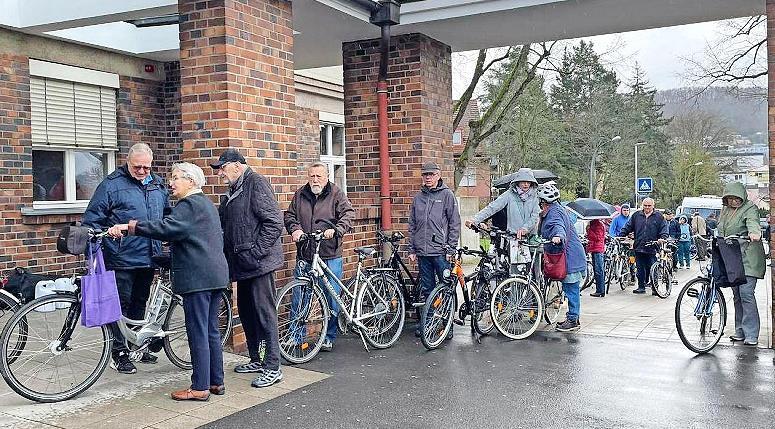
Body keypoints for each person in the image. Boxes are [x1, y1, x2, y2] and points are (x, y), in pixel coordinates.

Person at [108, 163, 229, 401]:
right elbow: (191, 237)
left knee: (198, 332)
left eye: (175, 178)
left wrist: (129, 226)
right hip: (215, 275)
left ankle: (200, 387)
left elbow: (167, 227)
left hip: (197, 278)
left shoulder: (189, 205)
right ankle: (216, 382)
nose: (170, 183)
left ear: (191, 181)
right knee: (211, 331)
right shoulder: (205, 203)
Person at [82, 143, 169, 374]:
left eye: (146, 168)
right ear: (127, 162)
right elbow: (92, 220)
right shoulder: (111, 185)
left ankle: (135, 345)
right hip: (121, 257)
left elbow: (168, 215)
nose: (142, 171)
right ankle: (118, 353)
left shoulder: (158, 184)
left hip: (150, 255)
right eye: (137, 167)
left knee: (141, 302)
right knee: (120, 307)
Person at [211, 149, 284, 388]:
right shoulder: (233, 190)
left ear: (237, 166)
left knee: (264, 315)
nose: (220, 173)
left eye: (222, 168)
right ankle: (258, 358)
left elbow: (274, 222)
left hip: (258, 265)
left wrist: (256, 253)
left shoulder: (256, 183)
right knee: (247, 313)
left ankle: (273, 367)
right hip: (241, 265)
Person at [284, 162, 355, 352]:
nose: (315, 179)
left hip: (329, 253)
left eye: (319, 176)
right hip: (306, 253)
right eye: (312, 176)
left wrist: (337, 230)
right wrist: (295, 229)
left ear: (327, 176)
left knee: (331, 297)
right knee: (300, 295)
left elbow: (348, 215)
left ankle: (328, 336)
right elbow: (290, 216)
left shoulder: (336, 193)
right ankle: (295, 335)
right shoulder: (300, 194)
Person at [409, 162, 461, 337]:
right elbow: (413, 225)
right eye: (425, 175)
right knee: (428, 290)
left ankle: (447, 326)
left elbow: (454, 223)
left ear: (438, 175)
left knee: (445, 289)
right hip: (423, 252)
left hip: (441, 252)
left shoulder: (447, 195)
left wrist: (451, 248)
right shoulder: (418, 198)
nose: (428, 177)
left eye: (431, 174)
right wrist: (412, 249)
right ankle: (430, 323)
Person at [717, 182, 766, 346]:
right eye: (730, 198)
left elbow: (753, 222)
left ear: (742, 197)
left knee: (746, 294)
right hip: (733, 257)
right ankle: (740, 330)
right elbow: (721, 228)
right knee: (737, 295)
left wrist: (754, 233)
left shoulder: (750, 208)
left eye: (736, 198)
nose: (733, 201)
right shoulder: (725, 210)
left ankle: (751, 333)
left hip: (749, 257)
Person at [466, 168, 540, 271]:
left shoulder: (535, 196)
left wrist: (525, 228)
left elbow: (535, 216)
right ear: (518, 181)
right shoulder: (509, 195)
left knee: (532, 272)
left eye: (528, 182)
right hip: (514, 239)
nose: (526, 184)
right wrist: (475, 220)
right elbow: (492, 208)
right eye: (523, 181)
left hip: (530, 238)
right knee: (515, 272)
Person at [537, 183, 586, 331]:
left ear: (544, 203)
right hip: (568, 255)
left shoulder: (555, 213)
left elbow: (558, 226)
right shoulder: (555, 210)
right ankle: (572, 318)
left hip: (569, 257)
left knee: (571, 288)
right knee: (570, 287)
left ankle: (573, 320)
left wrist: (558, 236)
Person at [618, 198, 668, 295]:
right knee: (640, 268)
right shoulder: (637, 215)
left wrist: (663, 237)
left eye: (649, 205)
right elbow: (628, 226)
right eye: (645, 205)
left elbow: (664, 228)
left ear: (653, 206)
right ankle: (641, 287)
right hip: (639, 246)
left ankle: (655, 288)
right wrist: (622, 235)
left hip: (652, 247)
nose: (647, 207)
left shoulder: (659, 216)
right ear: (642, 205)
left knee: (653, 268)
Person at [586, 219, 606, 297]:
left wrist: (589, 230)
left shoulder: (598, 225)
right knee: (597, 270)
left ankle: (600, 290)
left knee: (598, 270)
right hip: (595, 248)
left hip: (597, 249)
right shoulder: (595, 224)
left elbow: (597, 237)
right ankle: (600, 290)